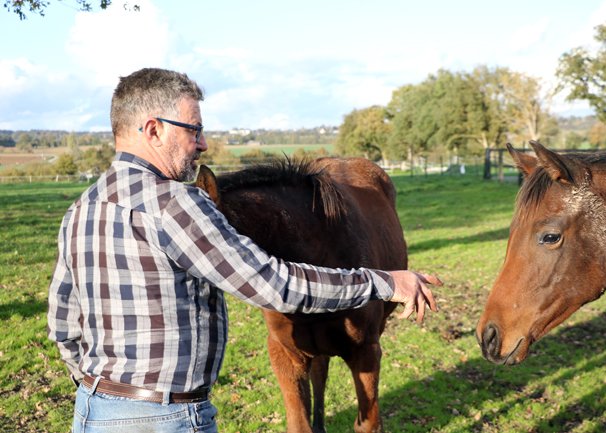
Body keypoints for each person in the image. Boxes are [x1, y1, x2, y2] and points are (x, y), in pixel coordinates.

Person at [47, 67, 441, 433]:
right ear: (154, 129)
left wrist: (100, 392)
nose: (202, 144)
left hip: (93, 410)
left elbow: (64, 324)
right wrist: (384, 282)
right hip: (165, 415)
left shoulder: (82, 207)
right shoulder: (175, 205)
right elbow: (275, 285)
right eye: (193, 130)